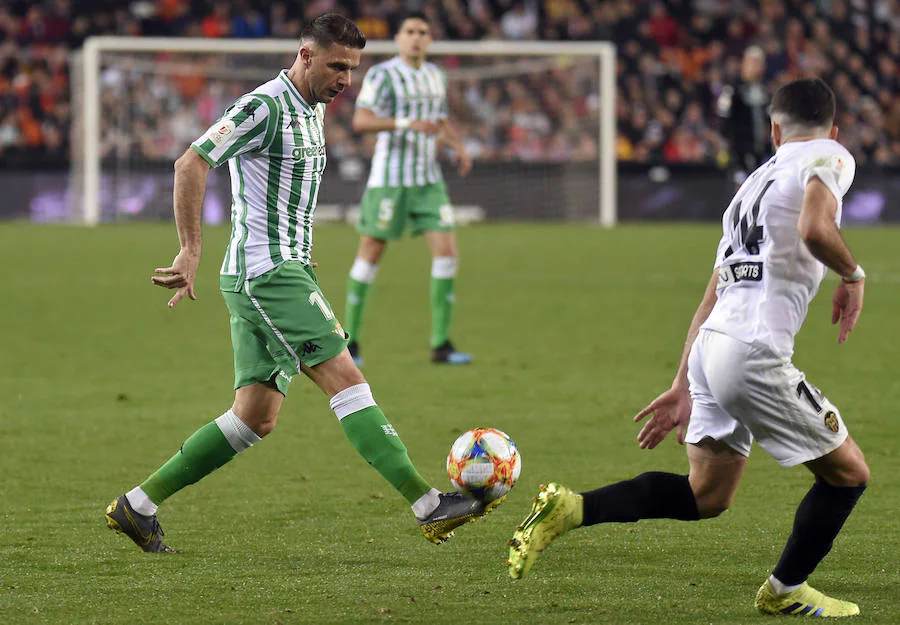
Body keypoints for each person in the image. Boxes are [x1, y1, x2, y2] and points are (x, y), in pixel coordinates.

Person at [104, 14, 496, 554]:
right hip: (268, 275)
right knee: (345, 376)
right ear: (305, 55)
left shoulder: (311, 110)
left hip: (283, 272)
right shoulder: (264, 106)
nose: (346, 80)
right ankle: (429, 505)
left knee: (254, 418)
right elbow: (190, 162)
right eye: (338, 66)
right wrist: (191, 248)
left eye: (353, 69)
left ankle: (138, 505)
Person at [508, 78, 869, 618]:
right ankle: (785, 590)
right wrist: (853, 274)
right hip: (753, 355)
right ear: (833, 130)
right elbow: (816, 228)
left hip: (714, 346)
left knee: (708, 495)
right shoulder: (830, 155)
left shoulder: (750, 186)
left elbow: (714, 291)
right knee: (849, 475)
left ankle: (571, 507)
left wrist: (683, 382)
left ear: (773, 130)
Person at [344, 11, 473, 366]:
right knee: (370, 255)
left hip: (428, 181)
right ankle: (350, 344)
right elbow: (361, 119)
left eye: (422, 32)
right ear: (399, 39)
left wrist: (457, 146)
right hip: (389, 181)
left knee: (447, 253)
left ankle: (441, 345)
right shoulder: (383, 75)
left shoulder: (435, 75)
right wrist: (405, 123)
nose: (416, 37)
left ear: (429, 40)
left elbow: (439, 120)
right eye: (410, 32)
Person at [717, 46, 771, 185]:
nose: (756, 67)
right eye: (753, 62)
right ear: (744, 64)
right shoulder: (732, 89)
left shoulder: (766, 90)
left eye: (759, 63)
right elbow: (723, 118)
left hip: (762, 153)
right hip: (739, 153)